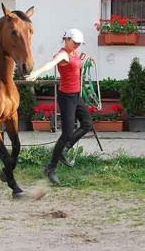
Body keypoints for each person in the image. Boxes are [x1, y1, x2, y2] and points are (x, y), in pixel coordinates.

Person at [25, 28, 93, 185]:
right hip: (67, 97)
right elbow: (51, 63)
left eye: (79, 43)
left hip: (76, 95)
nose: (77, 45)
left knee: (87, 124)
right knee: (67, 133)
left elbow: (77, 63)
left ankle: (65, 150)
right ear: (67, 39)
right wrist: (36, 73)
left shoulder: (74, 53)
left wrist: (84, 58)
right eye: (74, 42)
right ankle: (51, 168)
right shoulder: (63, 54)